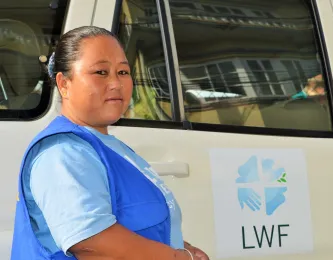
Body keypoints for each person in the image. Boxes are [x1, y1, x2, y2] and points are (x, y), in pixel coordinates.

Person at [11, 26, 209, 260]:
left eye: (123, 72)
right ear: (64, 84)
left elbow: (133, 228)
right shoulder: (62, 152)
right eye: (101, 73)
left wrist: (181, 247)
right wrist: (177, 257)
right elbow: (91, 243)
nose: (116, 83)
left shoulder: (107, 146)